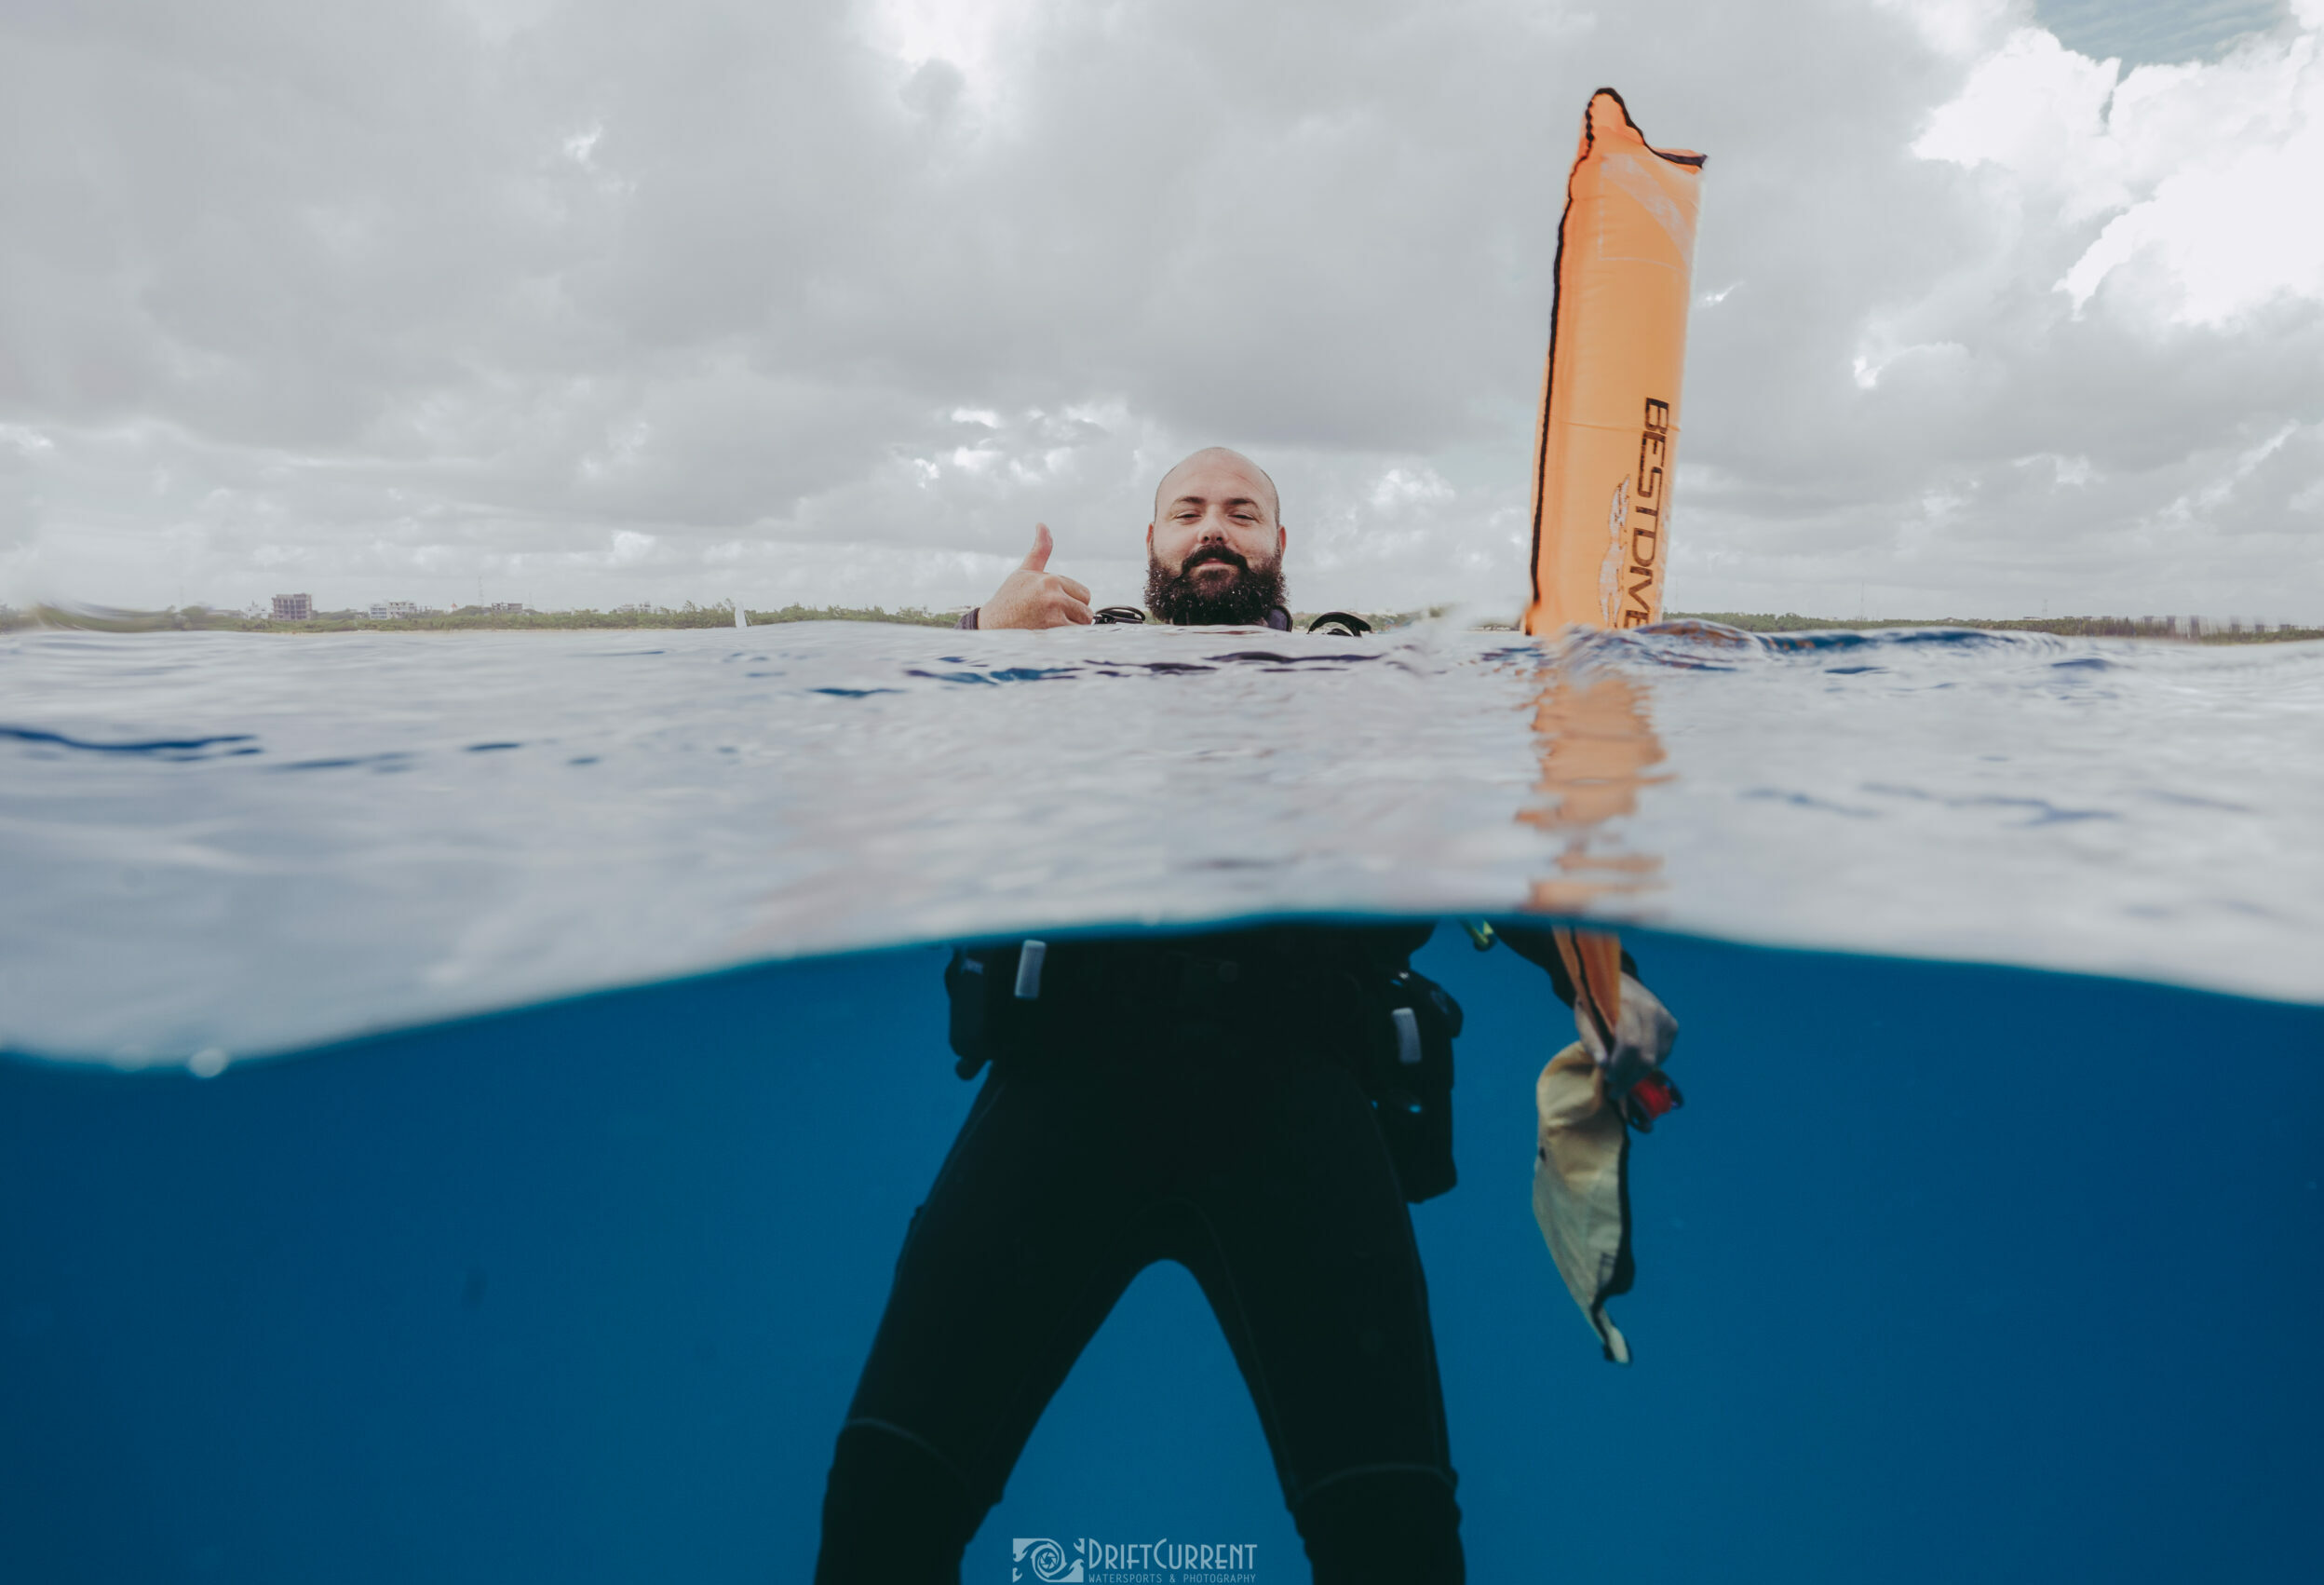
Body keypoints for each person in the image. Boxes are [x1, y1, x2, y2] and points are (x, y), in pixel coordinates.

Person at [813, 449, 1679, 1585]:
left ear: (1281, 548)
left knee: (1398, 1541)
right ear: (1151, 546)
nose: (1213, 528)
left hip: (1299, 1110)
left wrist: (1592, 980)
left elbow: (1479, 832)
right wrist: (979, 634)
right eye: (1188, 511)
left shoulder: (1363, 688)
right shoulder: (1052, 674)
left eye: (1241, 512)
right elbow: (863, 776)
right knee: (884, 1507)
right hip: (1064, 1095)